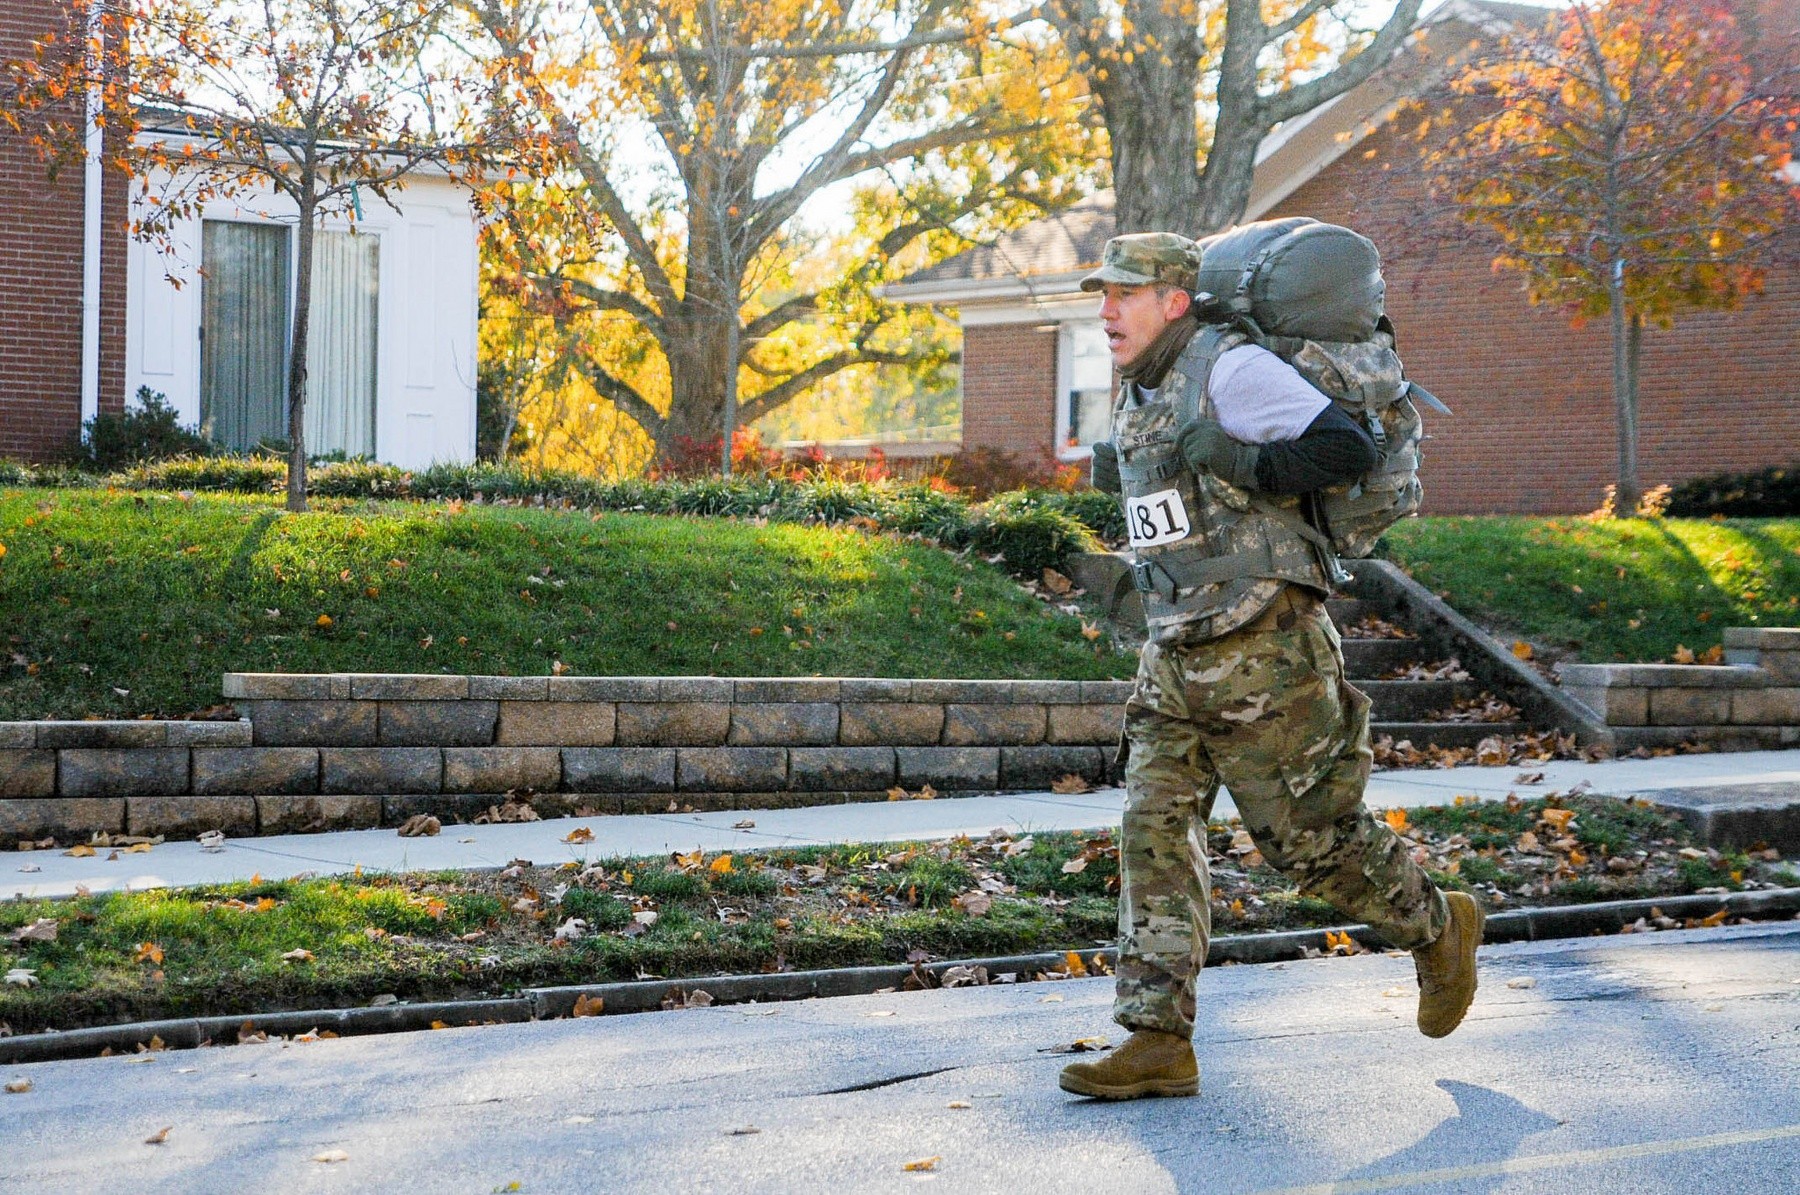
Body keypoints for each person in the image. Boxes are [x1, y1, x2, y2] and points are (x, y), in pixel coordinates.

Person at [1058, 232, 1483, 1101]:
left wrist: (1247, 459)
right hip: (1174, 647)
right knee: (1154, 833)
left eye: (1124, 294)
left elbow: (1345, 451)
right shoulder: (1141, 383)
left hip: (1265, 642)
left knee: (1310, 845)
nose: (1106, 310)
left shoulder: (1229, 368)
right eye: (1102, 294)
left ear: (1176, 300)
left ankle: (1438, 927)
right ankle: (1155, 1038)